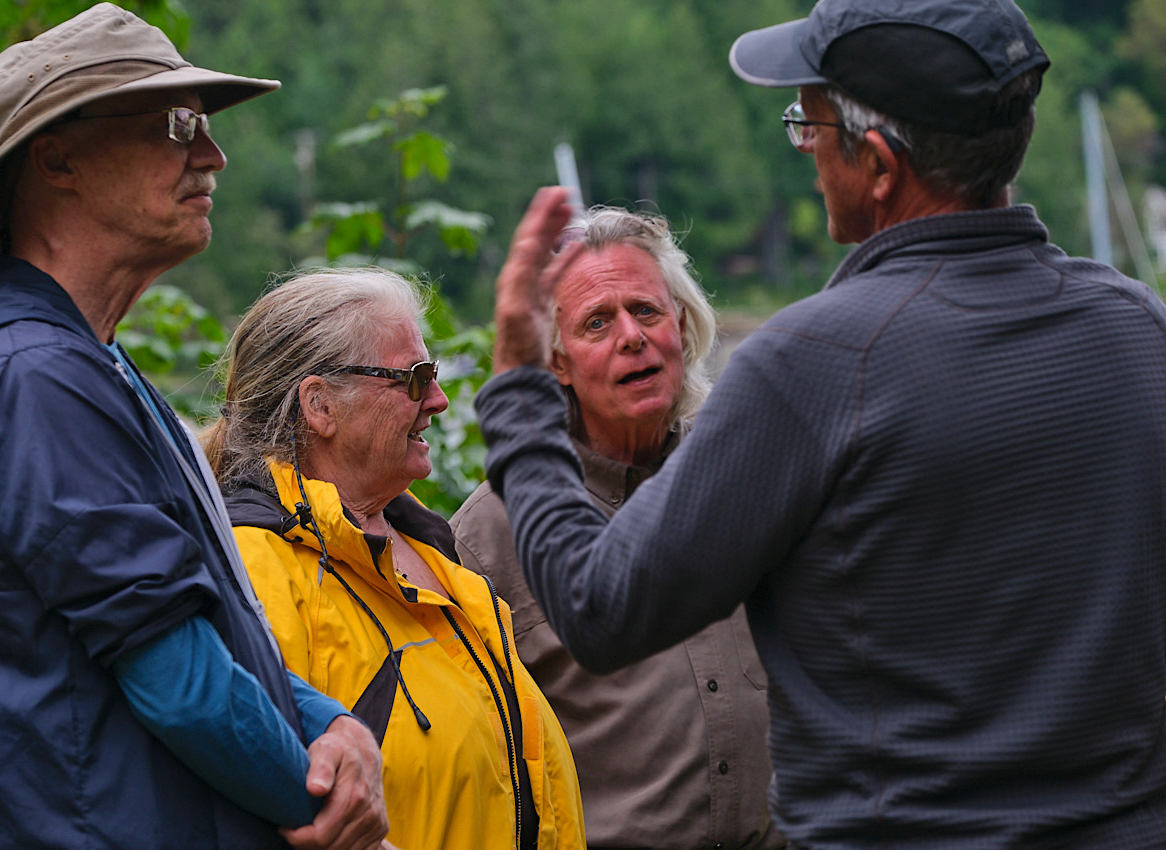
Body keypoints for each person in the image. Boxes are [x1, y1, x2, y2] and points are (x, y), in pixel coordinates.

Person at [472, 0, 1166, 846]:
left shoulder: (818, 361)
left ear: (875, 164)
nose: (805, 154)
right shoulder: (1134, 328)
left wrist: (516, 387)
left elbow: (600, 608)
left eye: (810, 125)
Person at [0, 5, 389, 848]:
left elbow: (195, 630)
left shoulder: (87, 363)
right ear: (57, 157)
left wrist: (329, 720)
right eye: (175, 124)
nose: (212, 154)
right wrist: (334, 817)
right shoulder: (33, 377)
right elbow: (179, 681)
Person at [201, 268, 586, 850]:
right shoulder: (260, 571)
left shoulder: (436, 555)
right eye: (415, 377)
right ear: (320, 405)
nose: (439, 398)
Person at [450, 207, 783, 850]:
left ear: (681, 328)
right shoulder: (489, 537)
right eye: (597, 323)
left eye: (647, 310)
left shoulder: (754, 480)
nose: (631, 336)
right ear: (556, 364)